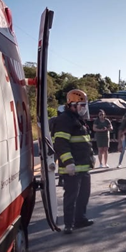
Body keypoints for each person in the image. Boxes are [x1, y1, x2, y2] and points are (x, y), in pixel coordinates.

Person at [52, 89, 95, 234]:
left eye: (84, 105)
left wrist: (91, 156)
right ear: (72, 104)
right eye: (81, 105)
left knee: (84, 195)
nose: (83, 108)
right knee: (71, 196)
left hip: (83, 166)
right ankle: (69, 224)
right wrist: (69, 162)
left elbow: (84, 142)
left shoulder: (78, 119)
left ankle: (80, 220)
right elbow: (60, 143)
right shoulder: (65, 119)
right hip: (72, 168)